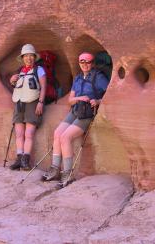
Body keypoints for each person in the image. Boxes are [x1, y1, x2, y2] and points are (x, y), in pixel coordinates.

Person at [42, 52, 109, 187]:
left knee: (65, 137)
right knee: (57, 133)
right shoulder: (78, 78)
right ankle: (55, 169)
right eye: (82, 62)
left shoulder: (99, 78)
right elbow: (70, 100)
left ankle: (68, 173)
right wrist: (79, 98)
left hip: (87, 113)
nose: (85, 64)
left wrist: (97, 100)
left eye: (88, 62)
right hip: (75, 110)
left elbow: (111, 94)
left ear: (93, 63)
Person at [9, 44, 47, 171]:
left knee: (29, 133)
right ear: (23, 58)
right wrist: (12, 81)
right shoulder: (20, 71)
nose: (29, 58)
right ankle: (19, 159)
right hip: (19, 104)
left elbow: (43, 87)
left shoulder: (39, 70)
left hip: (32, 103)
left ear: (34, 57)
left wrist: (40, 102)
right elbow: (18, 87)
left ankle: (26, 160)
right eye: (26, 56)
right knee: (19, 133)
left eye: (31, 56)